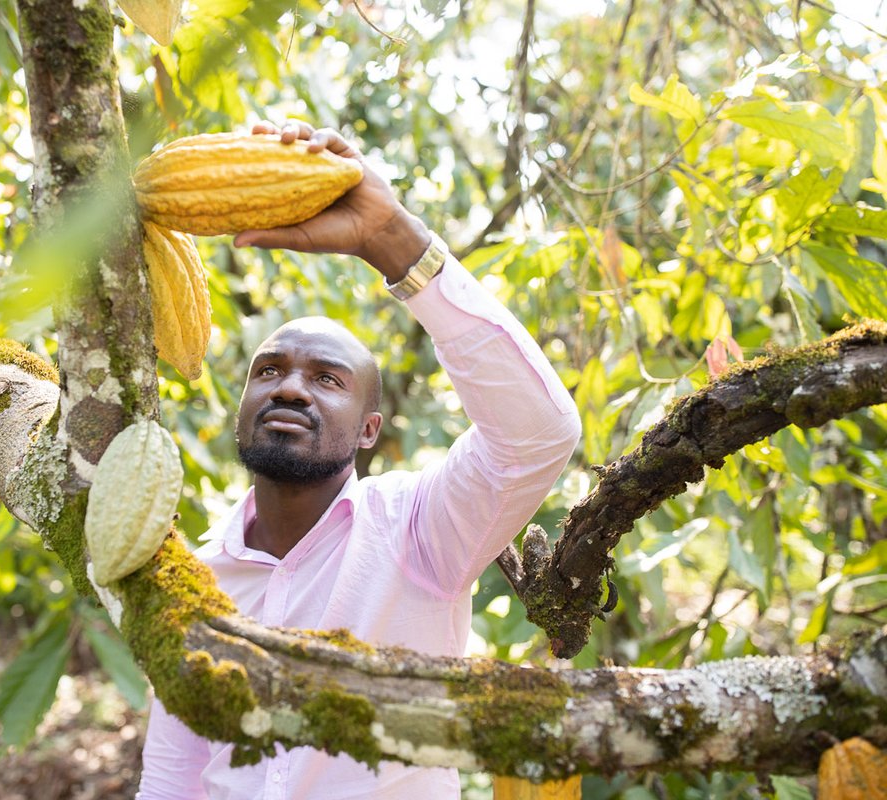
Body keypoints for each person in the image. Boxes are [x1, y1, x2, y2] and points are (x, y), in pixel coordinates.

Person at [136, 121, 581, 799]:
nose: (290, 388)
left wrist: (388, 237)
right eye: (269, 370)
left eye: (327, 379)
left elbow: (539, 433)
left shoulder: (419, 528)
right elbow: (174, 773)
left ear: (369, 429)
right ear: (241, 405)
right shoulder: (195, 579)